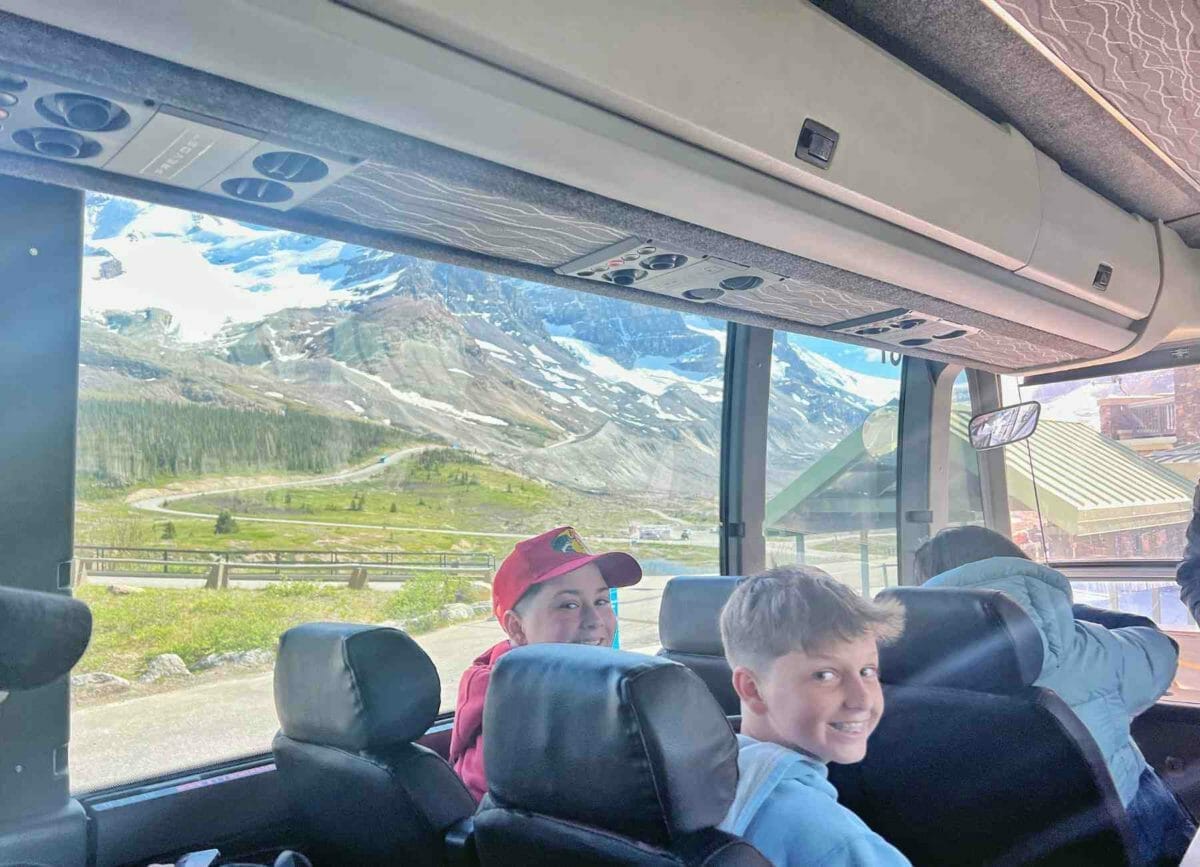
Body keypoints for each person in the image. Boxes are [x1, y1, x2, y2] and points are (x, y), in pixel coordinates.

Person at [917, 525, 1194, 865]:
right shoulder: (1081, 648)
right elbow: (1161, 651)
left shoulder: (907, 672)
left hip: (1003, 842)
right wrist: (1073, 617)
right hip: (1125, 833)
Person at [717, 565, 911, 866]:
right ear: (753, 689)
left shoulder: (711, 772)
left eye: (867, 671)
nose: (862, 700)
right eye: (825, 674)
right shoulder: (835, 842)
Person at [448, 525, 641, 802]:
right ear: (517, 628)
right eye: (569, 605)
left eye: (601, 600)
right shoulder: (517, 717)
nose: (595, 620)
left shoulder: (585, 685)